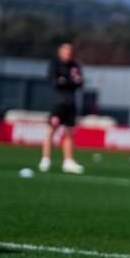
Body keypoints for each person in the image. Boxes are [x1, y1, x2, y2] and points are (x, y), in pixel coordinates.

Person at [38, 42, 85, 174]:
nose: (68, 53)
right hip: (58, 102)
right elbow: (54, 81)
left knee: (69, 132)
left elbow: (79, 82)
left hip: (71, 102)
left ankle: (68, 161)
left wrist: (67, 81)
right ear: (60, 51)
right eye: (66, 50)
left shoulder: (75, 65)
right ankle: (45, 159)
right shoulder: (55, 64)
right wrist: (67, 82)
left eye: (70, 50)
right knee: (52, 128)